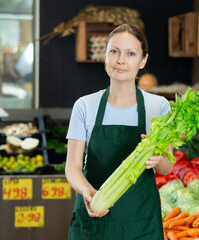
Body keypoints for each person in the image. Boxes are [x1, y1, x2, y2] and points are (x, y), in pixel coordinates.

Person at [65, 24, 174, 239]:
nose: (120, 60)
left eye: (131, 53)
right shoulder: (85, 106)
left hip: (140, 223)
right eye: (114, 51)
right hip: (94, 221)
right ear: (105, 56)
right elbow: (72, 167)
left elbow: (166, 168)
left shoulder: (159, 107)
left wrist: (158, 157)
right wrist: (87, 192)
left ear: (143, 61)